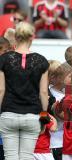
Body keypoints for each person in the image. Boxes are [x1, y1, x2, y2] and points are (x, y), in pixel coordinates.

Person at [0, 22, 49, 159]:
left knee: (10, 156)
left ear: (16, 37)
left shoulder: (3, 59)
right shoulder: (41, 60)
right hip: (32, 116)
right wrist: (44, 118)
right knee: (27, 157)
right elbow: (43, 93)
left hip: (8, 113)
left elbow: (1, 90)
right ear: (31, 38)